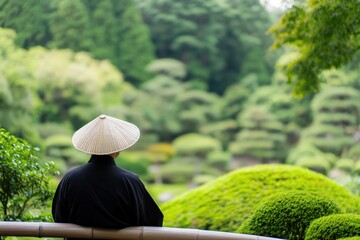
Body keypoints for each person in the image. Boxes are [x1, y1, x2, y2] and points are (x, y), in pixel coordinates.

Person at [52, 114, 163, 238]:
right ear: (118, 150)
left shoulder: (70, 178)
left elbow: (59, 218)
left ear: (90, 148)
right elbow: (152, 220)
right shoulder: (129, 181)